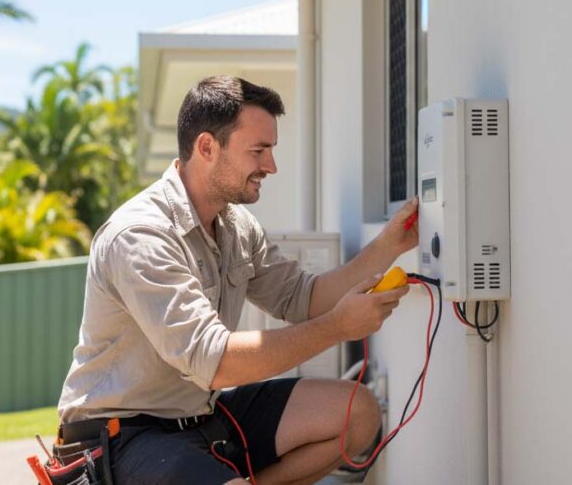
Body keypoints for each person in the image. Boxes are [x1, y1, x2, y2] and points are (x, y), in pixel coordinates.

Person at [58, 75, 418, 484]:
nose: (271, 166)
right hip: (122, 433)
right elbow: (216, 362)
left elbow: (303, 297)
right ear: (207, 147)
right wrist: (338, 327)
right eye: (259, 150)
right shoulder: (140, 236)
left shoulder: (235, 226)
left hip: (200, 417)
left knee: (359, 411)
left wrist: (391, 244)